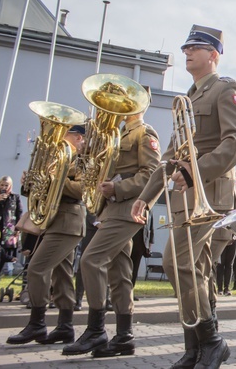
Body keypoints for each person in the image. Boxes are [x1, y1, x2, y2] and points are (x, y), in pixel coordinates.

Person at [132, 24, 236, 369]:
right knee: (196, 270)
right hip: (185, 198)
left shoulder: (225, 89)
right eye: (185, 47)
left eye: (196, 47)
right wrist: (146, 196)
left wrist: (194, 171)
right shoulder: (187, 98)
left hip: (213, 195)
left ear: (213, 55)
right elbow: (170, 158)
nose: (187, 51)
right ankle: (196, 348)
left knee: (177, 263)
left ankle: (212, 341)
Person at [63, 108, 160, 358]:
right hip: (111, 209)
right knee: (120, 273)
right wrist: (87, 156)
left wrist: (117, 187)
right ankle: (124, 336)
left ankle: (96, 330)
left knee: (91, 260)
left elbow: (152, 174)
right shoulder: (115, 135)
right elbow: (93, 173)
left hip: (128, 208)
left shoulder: (143, 132)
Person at [7, 124, 87, 346]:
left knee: (37, 268)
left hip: (68, 221)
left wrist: (54, 179)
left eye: (65, 133)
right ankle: (65, 327)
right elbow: (41, 190)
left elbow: (82, 190)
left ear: (77, 137)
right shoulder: (57, 159)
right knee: (62, 276)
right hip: (54, 221)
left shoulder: (82, 160)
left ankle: (37, 324)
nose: (59, 136)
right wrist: (31, 182)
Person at [215, 173, 236, 297]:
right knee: (220, 263)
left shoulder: (235, 198)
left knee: (229, 263)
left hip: (233, 233)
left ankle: (227, 288)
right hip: (220, 231)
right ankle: (219, 288)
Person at [0, 175, 23, 275]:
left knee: (5, 253)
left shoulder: (15, 197)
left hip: (9, 230)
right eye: (2, 185)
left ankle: (6, 271)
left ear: (11, 186)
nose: (4, 187)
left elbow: (19, 213)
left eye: (6, 185)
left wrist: (18, 228)